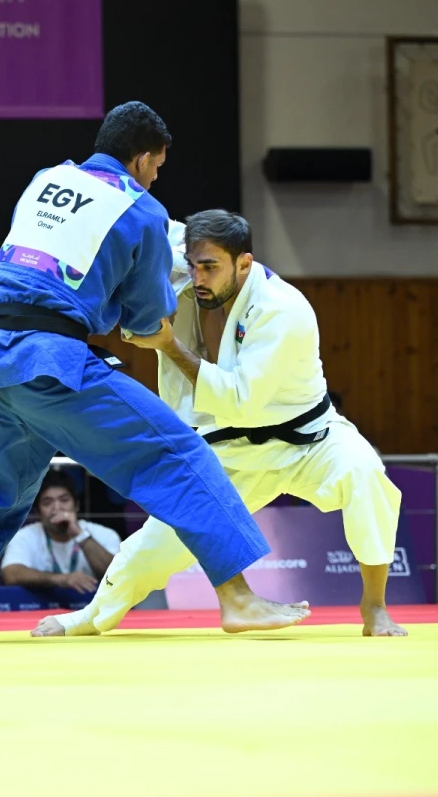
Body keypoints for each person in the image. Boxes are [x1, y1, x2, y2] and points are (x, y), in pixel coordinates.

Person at [0, 102, 310, 645]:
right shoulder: (141, 210)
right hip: (50, 364)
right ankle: (238, 598)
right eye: (158, 167)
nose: (156, 177)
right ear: (142, 160)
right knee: (181, 454)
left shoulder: (48, 179)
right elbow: (143, 320)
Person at [35, 210, 407, 638]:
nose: (198, 276)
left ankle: (375, 606)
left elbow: (240, 402)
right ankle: (89, 617)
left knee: (367, 475)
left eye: (210, 267)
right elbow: (143, 225)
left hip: (310, 438)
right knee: (153, 544)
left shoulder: (281, 309)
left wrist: (169, 346)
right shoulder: (189, 258)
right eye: (192, 265)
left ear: (244, 263)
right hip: (231, 449)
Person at [0, 470, 122, 593]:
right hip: (42, 609)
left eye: (64, 500)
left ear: (76, 505)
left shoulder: (105, 534)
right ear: (38, 512)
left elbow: (118, 576)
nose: (57, 508)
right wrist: (63, 579)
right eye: (47, 502)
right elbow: (11, 574)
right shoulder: (24, 536)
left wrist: (80, 535)